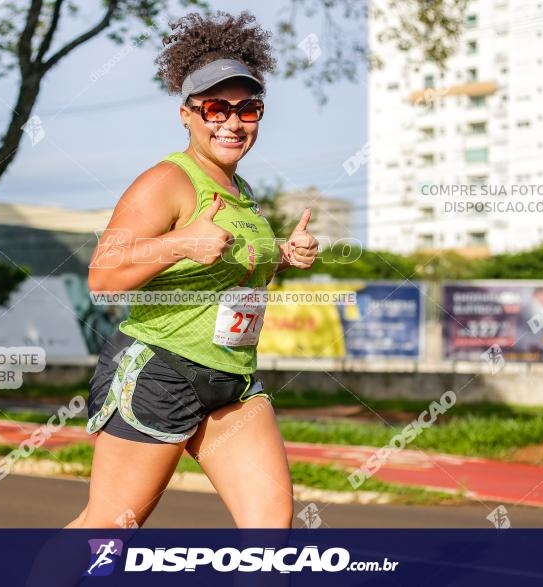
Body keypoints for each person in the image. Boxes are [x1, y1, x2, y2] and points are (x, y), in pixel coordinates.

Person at [66, 11, 319, 529]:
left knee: (271, 526)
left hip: (233, 380)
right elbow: (103, 274)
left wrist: (283, 255)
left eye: (247, 109)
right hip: (162, 372)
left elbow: (231, 274)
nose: (232, 122)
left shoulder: (241, 194)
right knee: (109, 532)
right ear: (187, 114)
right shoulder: (165, 182)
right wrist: (180, 243)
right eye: (215, 108)